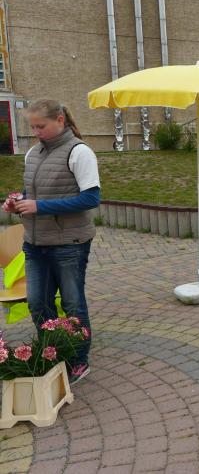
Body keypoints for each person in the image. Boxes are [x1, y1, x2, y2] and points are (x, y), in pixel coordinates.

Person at [2, 99, 100, 384]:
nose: (36, 132)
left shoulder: (79, 152)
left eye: (41, 126)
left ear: (60, 120)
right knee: (37, 303)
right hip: (35, 243)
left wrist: (39, 206)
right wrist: (18, 202)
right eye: (32, 127)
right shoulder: (33, 153)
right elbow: (32, 193)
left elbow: (91, 198)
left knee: (72, 304)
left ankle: (78, 361)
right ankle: (53, 352)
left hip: (69, 243)